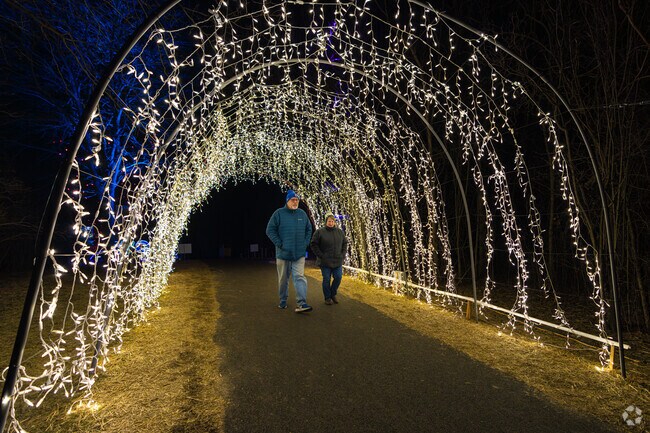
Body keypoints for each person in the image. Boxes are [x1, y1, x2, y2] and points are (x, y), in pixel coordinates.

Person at [266, 190, 313, 313]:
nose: (295, 202)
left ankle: (302, 303)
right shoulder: (279, 214)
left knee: (300, 277)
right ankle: (282, 301)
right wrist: (280, 243)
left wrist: (305, 243)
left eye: (297, 200)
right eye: (293, 200)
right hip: (283, 254)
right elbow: (270, 230)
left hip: (299, 254)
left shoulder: (302, 214)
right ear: (287, 201)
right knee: (283, 279)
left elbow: (309, 229)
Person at [310, 212, 347, 305]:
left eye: (332, 221)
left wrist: (343, 254)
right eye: (329, 221)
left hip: (337, 260)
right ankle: (327, 297)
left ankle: (333, 293)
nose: (331, 223)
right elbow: (313, 244)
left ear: (335, 222)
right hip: (325, 261)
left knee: (338, 277)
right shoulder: (320, 232)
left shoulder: (339, 232)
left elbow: (345, 243)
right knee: (326, 279)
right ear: (326, 222)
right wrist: (320, 255)